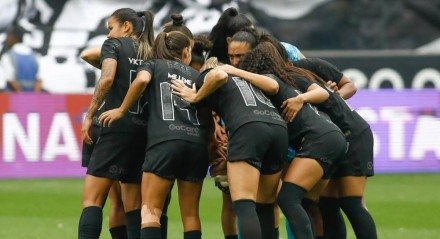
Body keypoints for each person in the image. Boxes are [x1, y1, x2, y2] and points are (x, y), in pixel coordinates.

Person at [99, 30, 210, 239]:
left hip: (165, 141)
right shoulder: (196, 75)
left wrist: (122, 110)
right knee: (191, 215)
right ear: (186, 52)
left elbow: (141, 81)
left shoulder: (153, 65)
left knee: (150, 211)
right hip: (196, 143)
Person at [171, 55, 288, 239]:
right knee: (265, 205)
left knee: (244, 204)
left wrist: (196, 96)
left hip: (249, 128)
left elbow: (218, 77)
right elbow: (274, 87)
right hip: (279, 129)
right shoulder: (246, 79)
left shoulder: (209, 73)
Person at [78, 8, 154, 239]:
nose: (109, 34)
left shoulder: (113, 45)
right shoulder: (151, 52)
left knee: (93, 200)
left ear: (127, 26)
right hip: (142, 130)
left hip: (114, 126)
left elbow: (107, 77)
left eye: (111, 28)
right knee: (133, 205)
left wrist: (90, 114)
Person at [291, 58, 377, 239]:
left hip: (351, 132)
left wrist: (332, 96)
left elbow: (349, 86)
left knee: (351, 201)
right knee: (327, 204)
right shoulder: (285, 76)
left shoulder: (309, 65)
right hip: (330, 138)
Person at [0, 25, 43, 92]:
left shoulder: (8, 56)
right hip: (33, 95)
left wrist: (22, 97)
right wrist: (34, 96)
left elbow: (10, 79)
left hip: (14, 96)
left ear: (13, 37)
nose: (7, 39)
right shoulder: (35, 55)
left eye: (8, 36)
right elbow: (39, 80)